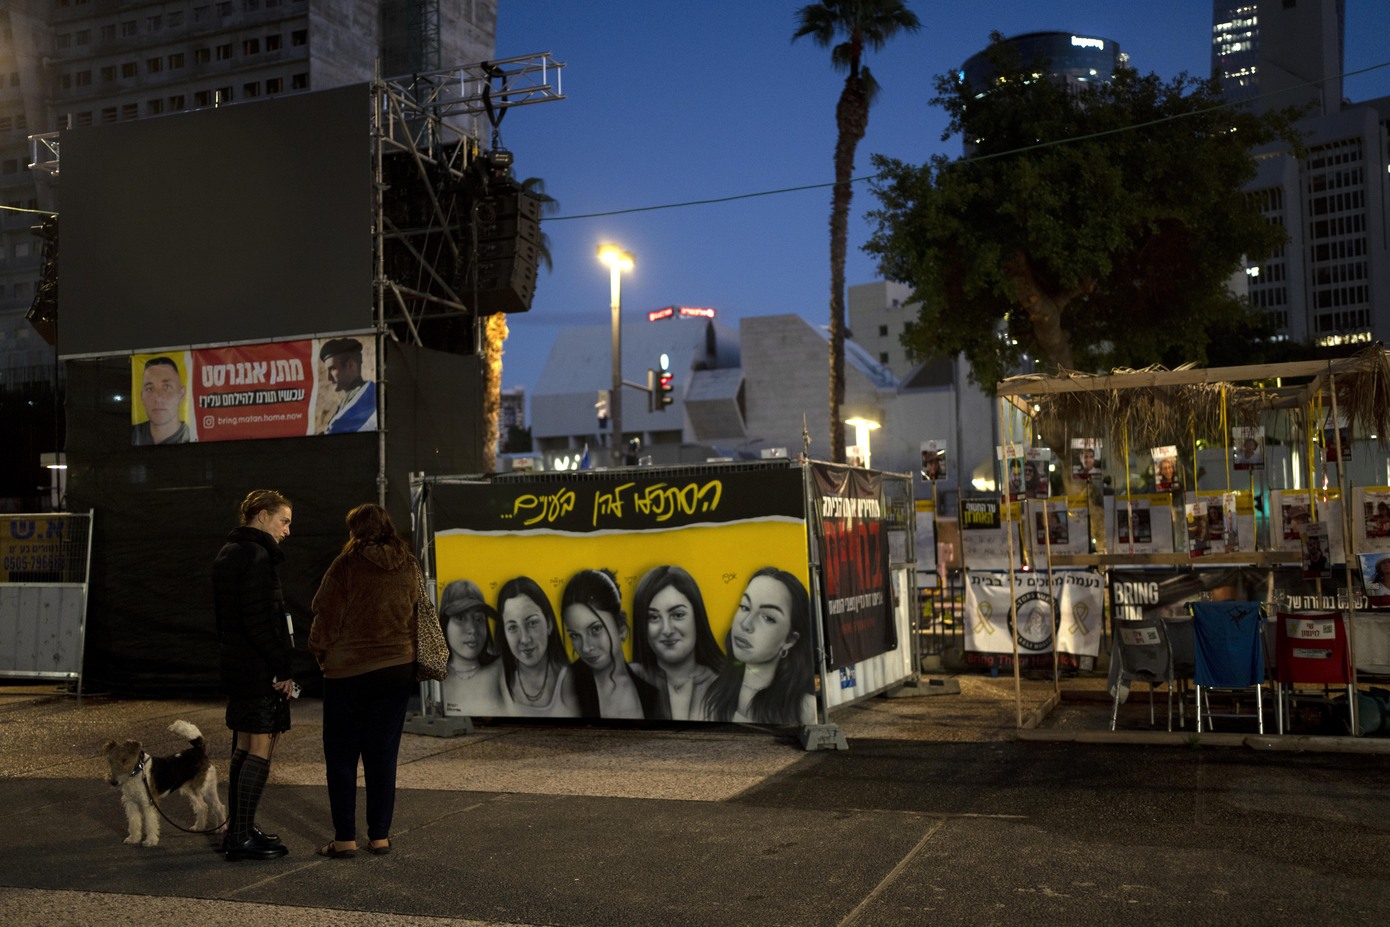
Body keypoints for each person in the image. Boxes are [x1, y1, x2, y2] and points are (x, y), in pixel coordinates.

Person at [307, 503, 419, 859]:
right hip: (396, 668)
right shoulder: (409, 565)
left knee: (341, 757)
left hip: (348, 673)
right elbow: (417, 611)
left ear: (354, 530)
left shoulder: (345, 566)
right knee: (382, 756)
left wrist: (318, 650)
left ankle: (344, 839)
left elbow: (326, 613)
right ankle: (380, 836)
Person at [211, 489, 295, 861]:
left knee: (244, 745)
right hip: (258, 668)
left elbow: (229, 620)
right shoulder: (257, 556)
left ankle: (238, 827)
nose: (287, 530)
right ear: (262, 516)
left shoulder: (229, 553)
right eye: (284, 521)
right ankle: (241, 835)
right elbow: (260, 621)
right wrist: (281, 667)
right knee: (259, 747)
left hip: (237, 664)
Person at [702, 567, 816, 727]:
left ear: (790, 640)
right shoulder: (712, 693)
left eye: (768, 618)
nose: (746, 624)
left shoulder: (805, 710)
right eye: (745, 607)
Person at [560, 569, 661, 719]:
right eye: (575, 635)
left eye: (595, 629)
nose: (586, 647)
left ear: (621, 627)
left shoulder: (651, 692)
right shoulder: (567, 684)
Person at [629, 565, 726, 721]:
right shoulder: (628, 679)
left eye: (678, 615)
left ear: (697, 618)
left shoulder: (727, 684)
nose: (667, 630)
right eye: (653, 617)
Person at [495, 576, 575, 717]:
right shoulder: (498, 682)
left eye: (532, 623)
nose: (525, 639)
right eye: (513, 627)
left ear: (549, 624)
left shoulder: (571, 680)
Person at [438, 579, 509, 717]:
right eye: (460, 618)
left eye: (479, 619)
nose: (472, 630)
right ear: (445, 623)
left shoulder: (501, 669)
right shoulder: (435, 680)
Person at [319, 338, 378, 434]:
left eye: (332, 369)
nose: (328, 377)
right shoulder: (349, 398)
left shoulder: (367, 395)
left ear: (350, 365)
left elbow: (336, 431)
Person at [132, 356, 191, 445]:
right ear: (142, 397)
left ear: (182, 394)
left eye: (167, 387)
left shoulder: (193, 436)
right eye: (149, 389)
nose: (158, 398)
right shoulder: (132, 435)